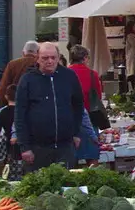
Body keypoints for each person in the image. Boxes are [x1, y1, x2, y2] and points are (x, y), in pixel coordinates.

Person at [13, 41, 84, 169]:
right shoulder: (28, 80)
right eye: (45, 58)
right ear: (37, 59)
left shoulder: (69, 76)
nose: (50, 61)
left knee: (66, 185)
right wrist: (25, 147)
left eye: (53, 57)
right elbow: (19, 115)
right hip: (37, 148)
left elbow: (78, 106)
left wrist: (76, 133)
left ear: (59, 57)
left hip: (65, 146)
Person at [0, 40, 39, 106]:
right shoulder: (39, 64)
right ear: (38, 53)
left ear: (23, 53)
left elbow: (3, 88)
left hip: (15, 104)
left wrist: (2, 106)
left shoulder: (12, 64)